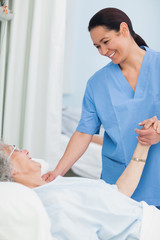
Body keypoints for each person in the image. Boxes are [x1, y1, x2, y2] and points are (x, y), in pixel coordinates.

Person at [43, 7, 160, 207]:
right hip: (119, 184)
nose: (103, 52)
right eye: (97, 46)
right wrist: (58, 172)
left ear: (124, 30)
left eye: (106, 42)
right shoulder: (97, 83)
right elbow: (83, 132)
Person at [0, 122, 160, 239]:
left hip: (149, 215)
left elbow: (120, 193)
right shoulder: (50, 204)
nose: (26, 150)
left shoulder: (56, 183)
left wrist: (143, 144)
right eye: (16, 149)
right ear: (8, 169)